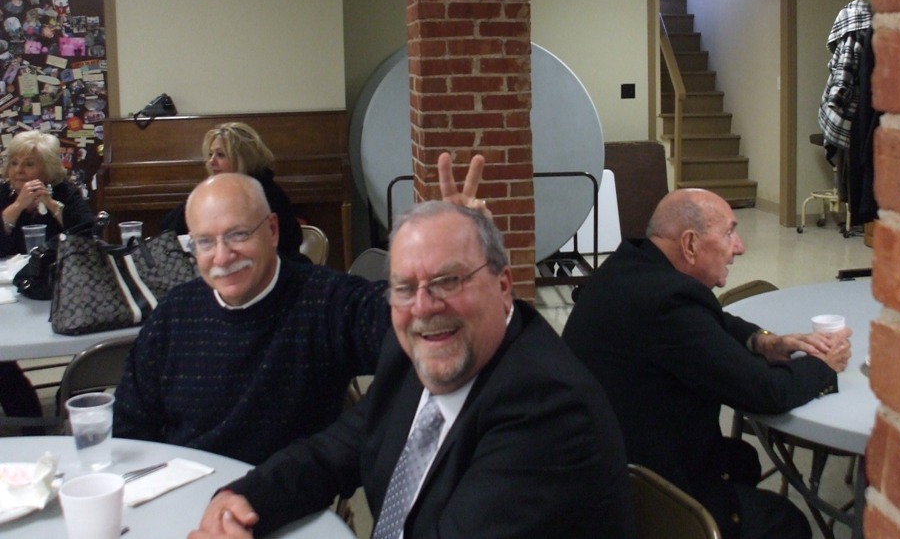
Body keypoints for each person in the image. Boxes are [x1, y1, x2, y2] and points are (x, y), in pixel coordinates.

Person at [188, 200, 634, 539]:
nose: (423, 307)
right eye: (404, 288)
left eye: (448, 280)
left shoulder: (546, 407)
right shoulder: (410, 358)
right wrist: (241, 500)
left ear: (503, 287)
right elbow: (329, 454)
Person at [562, 188, 852, 539]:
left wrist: (762, 340)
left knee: (742, 460)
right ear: (690, 244)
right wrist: (824, 364)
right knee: (787, 521)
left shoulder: (632, 267)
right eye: (729, 233)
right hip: (645, 498)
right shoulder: (670, 304)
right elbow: (767, 392)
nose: (740, 247)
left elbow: (711, 319)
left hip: (607, 469)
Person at [114, 172, 390, 464]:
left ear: (272, 230)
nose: (222, 257)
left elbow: (406, 327)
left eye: (238, 235)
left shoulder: (327, 301)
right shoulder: (173, 315)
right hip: (186, 485)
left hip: (285, 487)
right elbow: (128, 426)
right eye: (205, 242)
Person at [0, 130, 95, 426]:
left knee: (87, 350)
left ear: (47, 168)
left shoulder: (64, 191)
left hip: (57, 290)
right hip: (9, 294)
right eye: (14, 163)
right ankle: (27, 417)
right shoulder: (3, 194)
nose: (18, 170)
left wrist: (52, 205)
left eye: (29, 164)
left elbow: (87, 235)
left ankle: (69, 401)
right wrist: (17, 207)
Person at [159, 123, 306, 262]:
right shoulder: (219, 190)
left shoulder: (267, 195)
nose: (211, 161)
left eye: (220, 155)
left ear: (243, 158)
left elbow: (272, 251)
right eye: (210, 154)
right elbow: (168, 228)